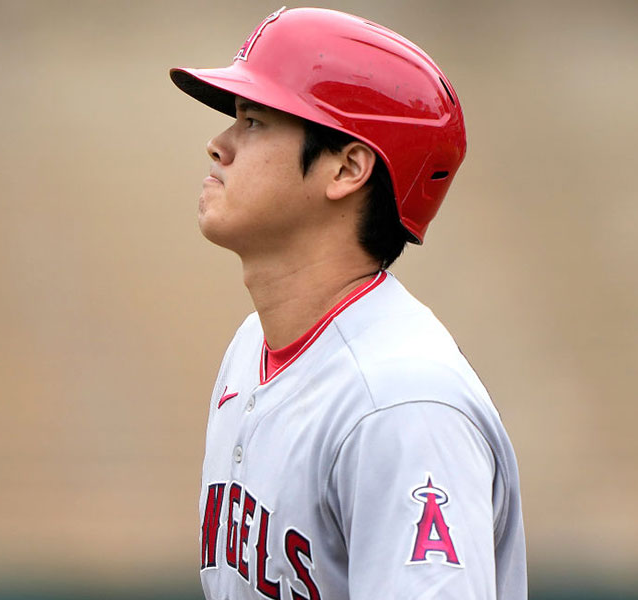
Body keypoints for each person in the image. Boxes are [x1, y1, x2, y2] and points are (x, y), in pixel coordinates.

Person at [169, 7, 526, 599]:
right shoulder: (252, 347)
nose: (219, 145)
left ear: (347, 167)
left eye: (254, 121)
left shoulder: (401, 405)